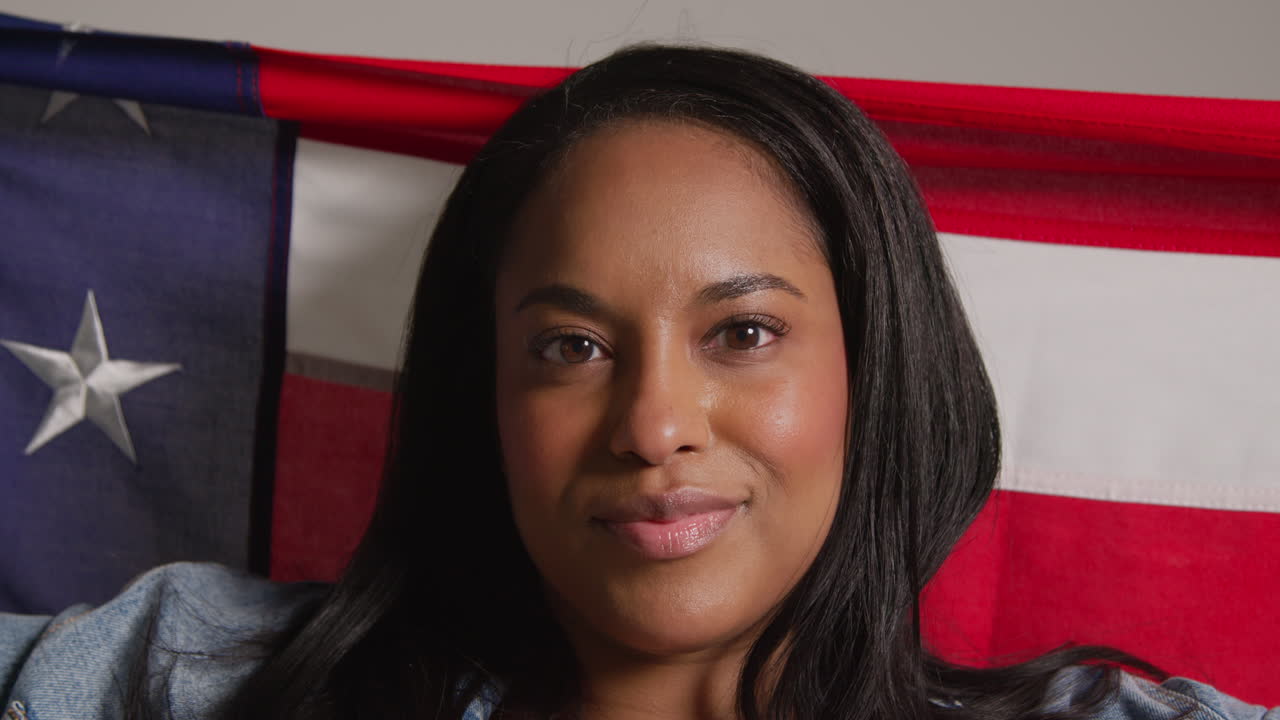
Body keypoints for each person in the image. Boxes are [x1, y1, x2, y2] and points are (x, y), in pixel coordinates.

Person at [1, 44, 1274, 720]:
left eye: (744, 333)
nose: (654, 426)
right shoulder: (191, 677)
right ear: (483, 401)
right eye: (571, 348)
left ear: (875, 373)